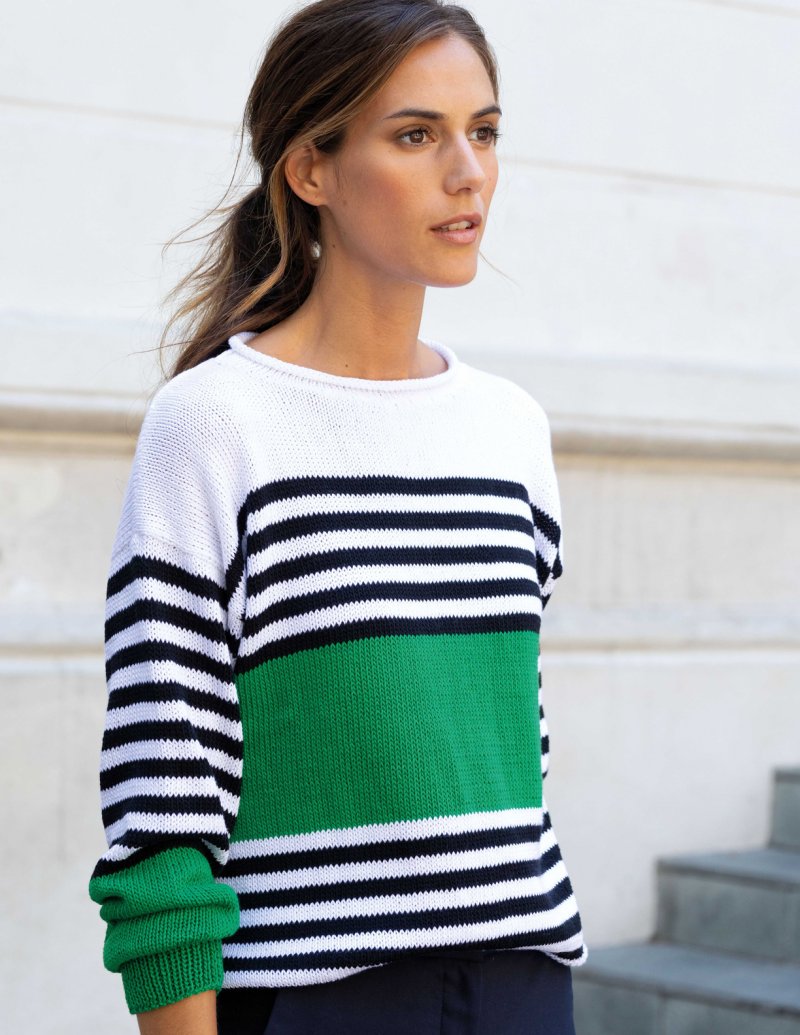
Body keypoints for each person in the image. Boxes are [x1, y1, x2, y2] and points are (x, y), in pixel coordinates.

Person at [87, 1, 588, 1032]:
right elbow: (161, 802)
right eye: (416, 135)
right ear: (311, 169)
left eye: (483, 131)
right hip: (316, 995)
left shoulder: (510, 430)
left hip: (523, 980)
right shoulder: (215, 424)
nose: (468, 173)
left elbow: (513, 752)